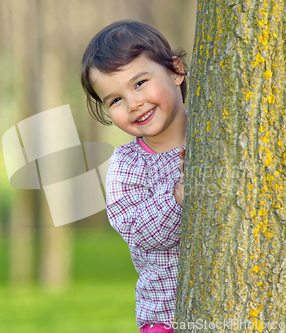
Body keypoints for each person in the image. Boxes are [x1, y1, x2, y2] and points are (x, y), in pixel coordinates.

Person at [80, 20, 188, 333]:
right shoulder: (127, 165)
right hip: (165, 317)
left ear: (176, 71)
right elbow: (139, 231)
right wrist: (176, 197)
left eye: (139, 83)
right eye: (115, 100)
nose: (133, 103)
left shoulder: (211, 136)